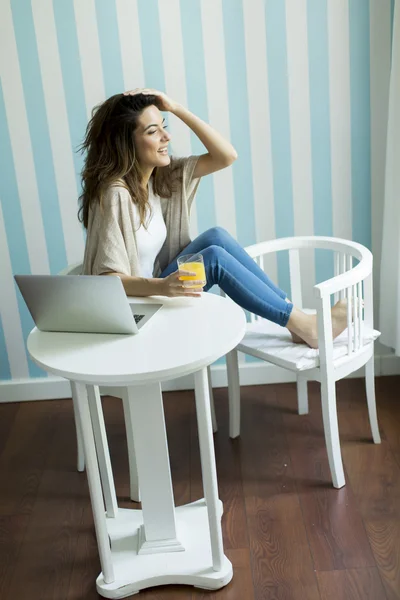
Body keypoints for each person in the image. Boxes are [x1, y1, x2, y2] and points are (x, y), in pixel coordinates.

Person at [79, 88, 348, 348]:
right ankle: (305, 326)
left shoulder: (160, 179)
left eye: (164, 125)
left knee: (216, 237)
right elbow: (108, 280)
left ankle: (297, 324)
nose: (166, 137)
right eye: (153, 131)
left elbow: (226, 155)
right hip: (136, 308)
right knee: (214, 260)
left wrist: (176, 108)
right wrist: (163, 286)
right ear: (126, 143)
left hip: (156, 289)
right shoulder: (115, 194)